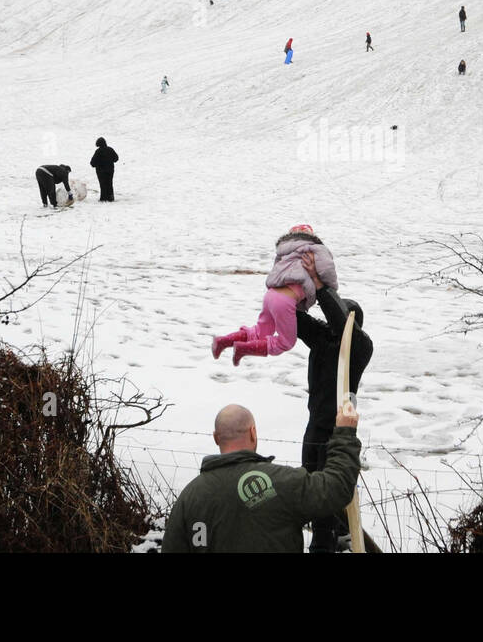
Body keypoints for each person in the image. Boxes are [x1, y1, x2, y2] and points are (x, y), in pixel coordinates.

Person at [160, 403, 361, 553]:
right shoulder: (281, 482)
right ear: (253, 433)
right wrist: (344, 434)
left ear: (215, 438)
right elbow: (335, 488)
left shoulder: (190, 497)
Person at [294, 258, 373, 552]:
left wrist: (322, 287)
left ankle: (325, 542)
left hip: (338, 429)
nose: (328, 326)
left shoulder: (361, 347)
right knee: (309, 481)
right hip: (315, 424)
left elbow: (342, 325)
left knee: (328, 488)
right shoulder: (324, 340)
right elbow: (299, 321)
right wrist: (292, 288)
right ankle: (333, 533)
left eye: (334, 321)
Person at [211, 224, 337, 366]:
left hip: (271, 295)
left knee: (259, 332)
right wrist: (331, 291)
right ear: (312, 236)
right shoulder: (316, 248)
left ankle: (222, 341)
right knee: (286, 342)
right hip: (285, 299)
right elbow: (327, 269)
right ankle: (243, 349)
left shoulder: (284, 250)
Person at [90, 138, 119, 202]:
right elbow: (116, 158)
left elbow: (92, 163)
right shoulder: (110, 149)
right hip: (110, 170)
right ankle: (111, 197)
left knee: (102, 184)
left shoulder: (98, 151)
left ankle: (103, 198)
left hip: (100, 171)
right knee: (110, 183)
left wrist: (96, 164)